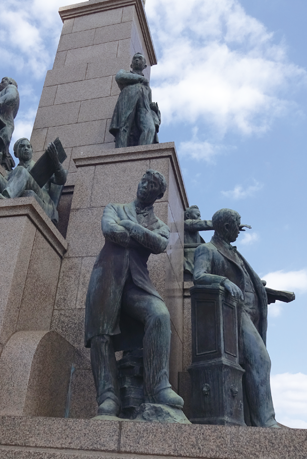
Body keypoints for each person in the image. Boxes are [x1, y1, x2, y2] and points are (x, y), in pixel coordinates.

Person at [85, 170, 184, 417]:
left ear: (158, 195)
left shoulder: (160, 226)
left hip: (136, 283)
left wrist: (129, 226)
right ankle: (108, 398)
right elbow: (110, 230)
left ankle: (159, 387)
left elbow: (160, 245)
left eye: (152, 186)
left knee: (159, 314)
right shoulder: (114, 208)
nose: (145, 187)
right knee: (101, 335)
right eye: (144, 181)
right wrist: (139, 235)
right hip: (106, 278)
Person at [193, 208, 280, 428]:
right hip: (233, 313)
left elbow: (248, 284)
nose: (240, 230)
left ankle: (255, 419)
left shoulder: (237, 254)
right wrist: (223, 281)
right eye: (237, 225)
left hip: (252, 316)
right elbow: (199, 276)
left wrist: (271, 293)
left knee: (255, 363)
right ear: (225, 226)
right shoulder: (207, 249)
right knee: (261, 360)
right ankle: (266, 421)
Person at [0, 138, 67, 225]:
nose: (26, 148)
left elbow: (61, 180)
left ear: (32, 151)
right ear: (16, 153)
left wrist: (56, 162)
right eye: (22, 146)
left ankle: (7, 198)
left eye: (29, 146)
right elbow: (1, 182)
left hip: (41, 200)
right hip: (17, 190)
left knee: (21, 170)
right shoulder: (12, 172)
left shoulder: (44, 166)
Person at [109, 53, 160, 148]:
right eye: (135, 58)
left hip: (144, 107)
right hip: (127, 99)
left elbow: (148, 102)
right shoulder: (125, 73)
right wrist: (141, 79)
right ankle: (120, 154)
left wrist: (154, 109)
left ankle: (143, 155)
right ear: (131, 65)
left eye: (140, 58)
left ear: (145, 65)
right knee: (124, 127)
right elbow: (119, 77)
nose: (137, 60)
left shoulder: (147, 88)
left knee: (149, 129)